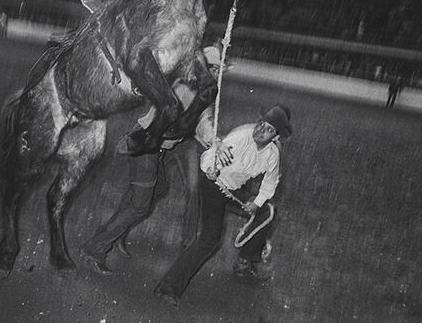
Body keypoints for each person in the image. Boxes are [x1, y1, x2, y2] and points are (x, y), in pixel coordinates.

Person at [78, 44, 225, 274]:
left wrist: (213, 139)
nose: (216, 74)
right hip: (147, 144)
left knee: (159, 187)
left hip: (157, 148)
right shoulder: (183, 88)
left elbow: (203, 122)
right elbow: (176, 122)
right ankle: (95, 248)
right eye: (213, 69)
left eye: (217, 70)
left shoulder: (202, 92)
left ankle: (117, 231)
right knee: (139, 206)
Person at [153, 105, 293, 307]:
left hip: (234, 190)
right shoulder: (241, 136)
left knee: (267, 211)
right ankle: (167, 287)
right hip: (214, 185)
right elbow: (210, 154)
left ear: (276, 137)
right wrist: (210, 167)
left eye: (269, 129)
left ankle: (244, 262)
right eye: (261, 123)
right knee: (210, 239)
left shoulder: (272, 154)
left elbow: (270, 183)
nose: (261, 130)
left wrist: (257, 202)